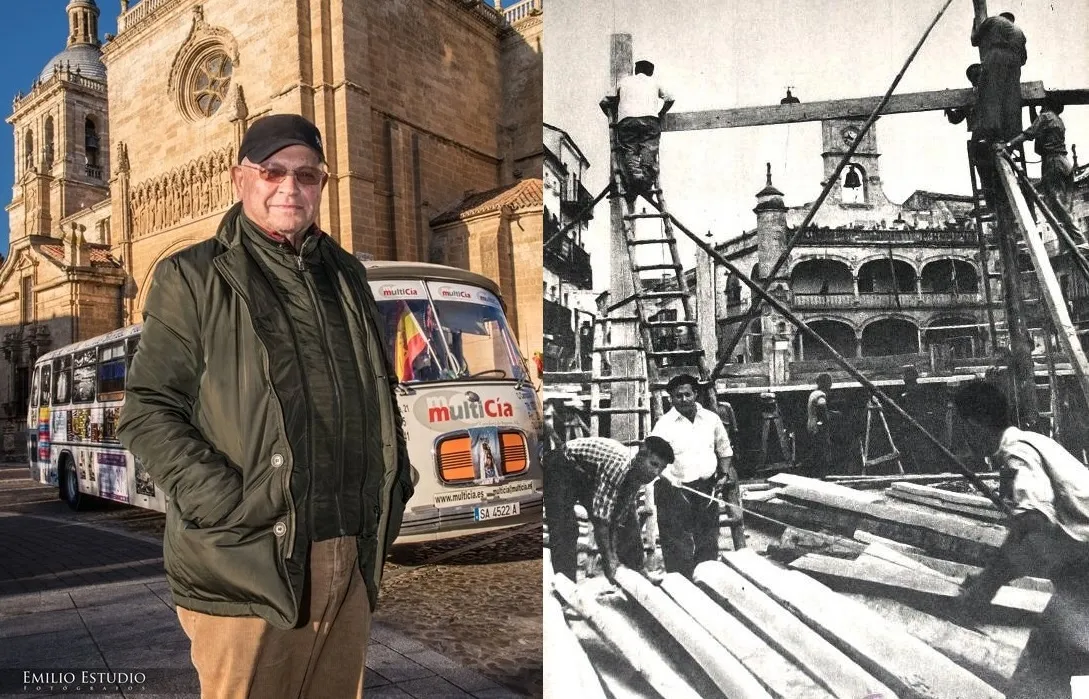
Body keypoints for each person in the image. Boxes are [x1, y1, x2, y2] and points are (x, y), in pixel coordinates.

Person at [117, 113, 413, 699]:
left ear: (323, 185)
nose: (290, 187)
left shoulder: (349, 276)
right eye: (272, 171)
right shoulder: (193, 275)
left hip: (347, 554)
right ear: (239, 179)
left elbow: (375, 389)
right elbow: (148, 408)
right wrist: (229, 504)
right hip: (247, 558)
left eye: (307, 175)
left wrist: (394, 476)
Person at [954, 380, 1089, 698]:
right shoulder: (1032, 441)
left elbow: (1033, 521)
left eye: (961, 429)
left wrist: (988, 585)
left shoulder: (1017, 452)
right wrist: (993, 576)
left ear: (973, 426)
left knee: (1042, 661)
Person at [544, 436, 674, 583]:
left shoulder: (638, 474)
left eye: (661, 468)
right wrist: (609, 559)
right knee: (565, 527)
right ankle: (565, 586)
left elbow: (618, 518)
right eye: (654, 464)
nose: (655, 473)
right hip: (562, 465)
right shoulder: (619, 466)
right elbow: (601, 520)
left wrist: (613, 554)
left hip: (588, 473)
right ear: (641, 455)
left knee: (629, 522)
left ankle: (638, 572)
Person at [651, 374, 734, 577]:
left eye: (688, 394)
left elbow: (724, 449)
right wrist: (670, 480)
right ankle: (682, 582)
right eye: (678, 396)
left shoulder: (711, 419)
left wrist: (722, 475)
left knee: (707, 538)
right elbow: (654, 459)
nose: (684, 399)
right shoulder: (664, 424)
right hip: (675, 490)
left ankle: (706, 579)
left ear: (696, 394)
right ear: (671, 398)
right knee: (676, 542)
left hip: (706, 488)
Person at [1004, 97, 1077, 223]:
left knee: (1055, 203)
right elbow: (1038, 128)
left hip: (1053, 162)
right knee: (1065, 206)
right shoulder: (1057, 119)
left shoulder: (1045, 117)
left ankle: (1077, 239)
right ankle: (1070, 239)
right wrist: (1032, 108)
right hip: (1064, 162)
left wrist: (1008, 145)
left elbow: (1030, 133)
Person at [612, 59, 674, 205]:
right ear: (651, 72)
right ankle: (643, 184)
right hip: (650, 120)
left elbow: (605, 101)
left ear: (636, 70)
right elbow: (671, 98)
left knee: (630, 151)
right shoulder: (655, 82)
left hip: (627, 121)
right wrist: (661, 113)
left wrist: (615, 116)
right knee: (649, 150)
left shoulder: (623, 82)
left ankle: (636, 180)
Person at [970, 11, 1026, 143]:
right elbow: (1024, 59)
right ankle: (1011, 134)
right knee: (1011, 98)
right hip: (1014, 64)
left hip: (996, 57)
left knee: (990, 94)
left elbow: (974, 40)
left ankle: (992, 133)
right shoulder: (1020, 32)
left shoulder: (993, 21)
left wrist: (974, 26)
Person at [806, 373, 835, 476]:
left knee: (816, 449)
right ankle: (824, 475)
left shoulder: (813, 393)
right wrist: (830, 417)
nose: (831, 385)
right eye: (829, 383)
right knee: (824, 449)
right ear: (825, 383)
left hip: (811, 424)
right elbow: (822, 406)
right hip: (818, 427)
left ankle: (817, 474)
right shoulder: (820, 395)